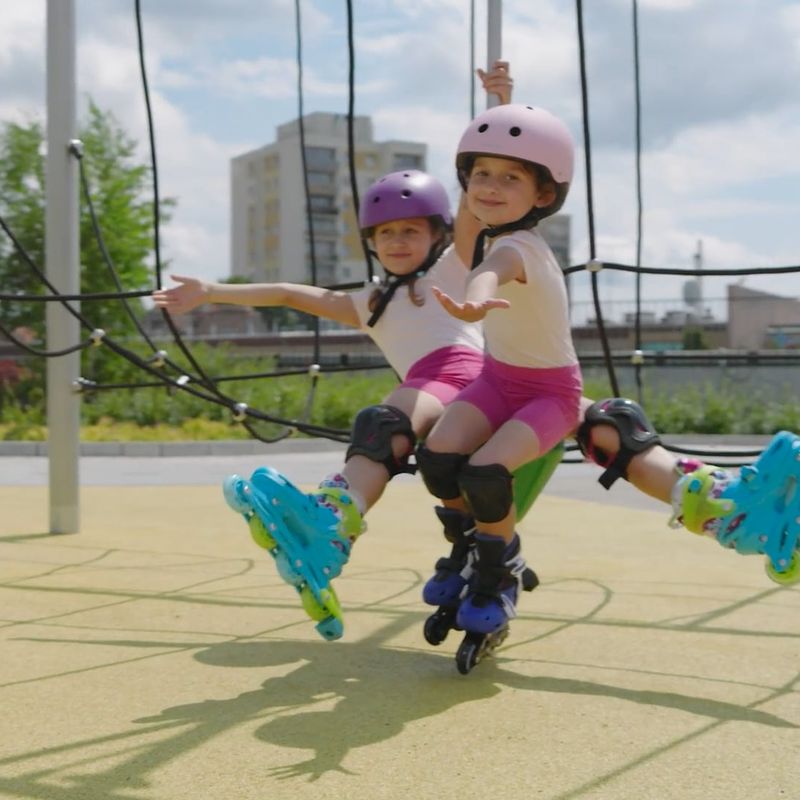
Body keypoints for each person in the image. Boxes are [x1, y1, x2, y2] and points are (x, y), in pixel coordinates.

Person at [415, 103, 583, 637]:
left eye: (510, 177)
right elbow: (474, 239)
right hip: (497, 380)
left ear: (543, 195)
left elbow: (491, 271)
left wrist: (475, 298)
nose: (490, 186)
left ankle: (498, 568)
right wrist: (502, 95)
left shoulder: (519, 248)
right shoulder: (489, 234)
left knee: (485, 473)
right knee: (437, 459)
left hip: (550, 395)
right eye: (480, 174)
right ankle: (470, 548)